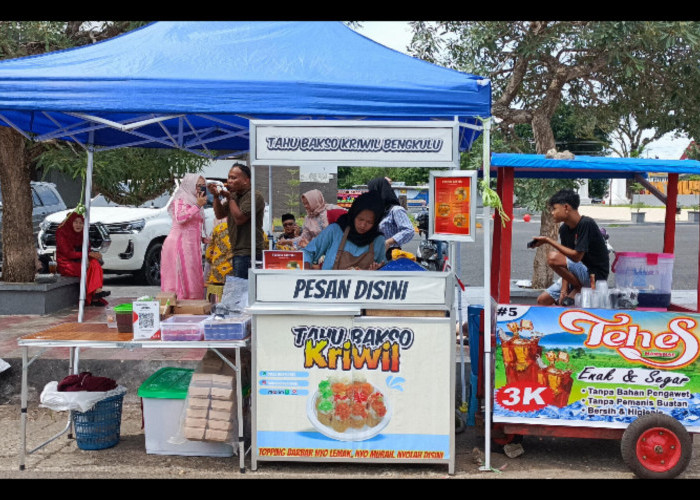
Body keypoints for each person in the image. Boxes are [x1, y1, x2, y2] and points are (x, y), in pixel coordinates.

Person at [531, 189, 610, 306]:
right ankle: (575, 287)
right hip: (576, 273)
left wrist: (548, 240)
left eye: (554, 209)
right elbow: (566, 261)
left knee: (553, 257)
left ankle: (578, 287)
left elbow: (576, 257)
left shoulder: (586, 224)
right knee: (542, 300)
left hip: (594, 276)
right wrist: (564, 290)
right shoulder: (564, 229)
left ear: (566, 208)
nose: (552, 213)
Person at [303, 191, 386, 271]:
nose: (363, 225)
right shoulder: (335, 231)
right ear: (353, 215)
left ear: (376, 222)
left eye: (369, 222)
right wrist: (306, 268)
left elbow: (384, 267)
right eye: (360, 219)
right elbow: (307, 252)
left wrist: (378, 271)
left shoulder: (378, 240)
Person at [210, 163, 264, 279]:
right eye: (229, 177)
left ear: (246, 180)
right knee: (239, 289)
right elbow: (220, 215)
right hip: (237, 250)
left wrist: (229, 198)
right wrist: (215, 197)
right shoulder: (234, 195)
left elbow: (240, 219)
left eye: (234, 178)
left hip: (250, 251)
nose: (229, 181)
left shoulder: (255, 196)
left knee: (243, 290)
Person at [160, 174, 208, 300]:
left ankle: (193, 306)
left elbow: (194, 224)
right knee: (180, 277)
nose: (200, 189)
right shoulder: (180, 200)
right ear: (190, 184)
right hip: (179, 244)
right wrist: (197, 206)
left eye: (203, 186)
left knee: (192, 275)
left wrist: (202, 238)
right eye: (198, 185)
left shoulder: (194, 200)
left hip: (191, 246)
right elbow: (180, 218)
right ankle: (180, 305)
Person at [55, 211, 109, 306]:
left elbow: (87, 249)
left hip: (80, 260)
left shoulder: (84, 233)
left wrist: (90, 256)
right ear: (70, 222)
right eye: (75, 222)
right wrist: (86, 255)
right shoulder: (62, 233)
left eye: (81, 223)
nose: (78, 225)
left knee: (95, 264)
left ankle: (97, 292)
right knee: (86, 269)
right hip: (66, 263)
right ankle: (93, 298)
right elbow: (68, 253)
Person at [367, 177, 415, 260]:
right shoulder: (379, 211)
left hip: (390, 254)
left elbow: (409, 230)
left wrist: (388, 242)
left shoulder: (396, 210)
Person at [277, 189, 342, 249]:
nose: (305, 206)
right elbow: (304, 238)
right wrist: (288, 241)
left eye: (307, 203)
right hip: (317, 251)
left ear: (315, 201)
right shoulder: (309, 218)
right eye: (304, 204)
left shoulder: (332, 210)